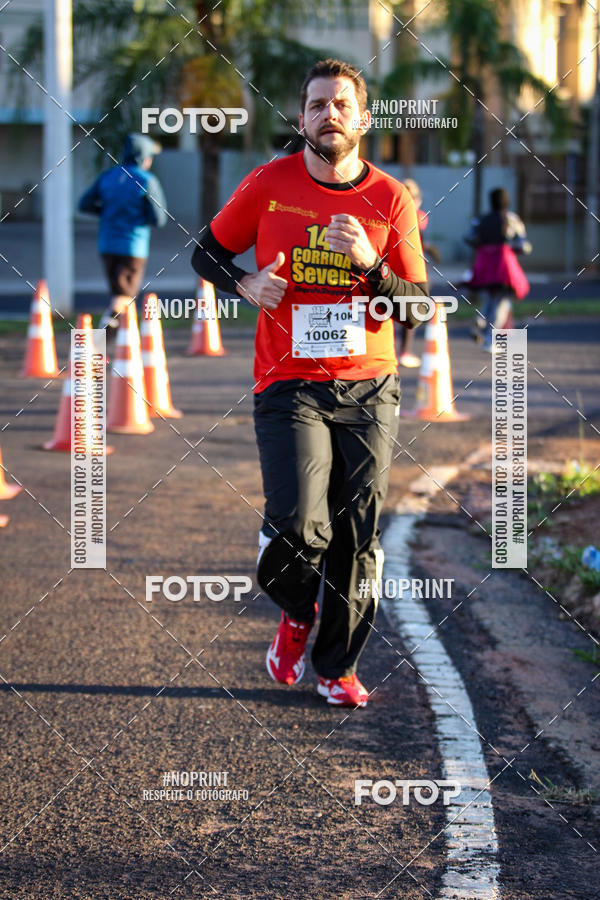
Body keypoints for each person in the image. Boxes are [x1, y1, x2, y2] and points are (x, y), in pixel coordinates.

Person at [191, 58, 429, 707]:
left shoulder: (390, 199)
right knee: (298, 524)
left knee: (357, 537)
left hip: (369, 388)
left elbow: (417, 305)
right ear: (301, 119)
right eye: (317, 104)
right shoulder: (268, 183)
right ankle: (297, 612)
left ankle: (337, 668)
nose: (330, 115)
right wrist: (244, 282)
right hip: (288, 381)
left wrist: (371, 265)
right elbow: (206, 252)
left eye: (341, 104)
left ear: (364, 119)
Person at [79, 133, 168, 338]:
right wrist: (137, 215)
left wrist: (107, 212)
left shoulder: (108, 176)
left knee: (120, 295)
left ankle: (123, 344)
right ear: (144, 158)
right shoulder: (146, 180)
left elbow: (84, 204)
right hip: (133, 246)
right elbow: (159, 219)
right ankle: (96, 341)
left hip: (106, 245)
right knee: (123, 297)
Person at [464, 187, 531, 351]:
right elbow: (523, 243)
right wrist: (515, 248)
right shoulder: (511, 219)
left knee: (489, 295)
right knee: (503, 301)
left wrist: (483, 245)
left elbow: (469, 237)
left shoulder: (481, 220)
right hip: (503, 263)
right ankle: (490, 339)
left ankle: (480, 321)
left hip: (485, 261)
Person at [398, 178, 440, 367]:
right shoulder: (417, 216)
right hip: (411, 269)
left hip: (392, 267)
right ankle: (405, 351)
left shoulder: (391, 212)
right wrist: (429, 249)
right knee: (411, 309)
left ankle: (398, 350)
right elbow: (417, 241)